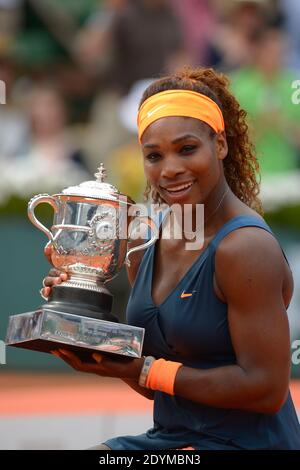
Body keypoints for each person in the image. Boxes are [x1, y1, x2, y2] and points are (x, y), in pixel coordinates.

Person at [42, 66, 300, 450]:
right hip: (173, 440)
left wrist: (144, 369)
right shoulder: (145, 240)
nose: (170, 169)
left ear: (221, 145)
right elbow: (158, 386)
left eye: (187, 149)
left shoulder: (246, 248)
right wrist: (84, 324)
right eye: (154, 155)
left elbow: (265, 388)